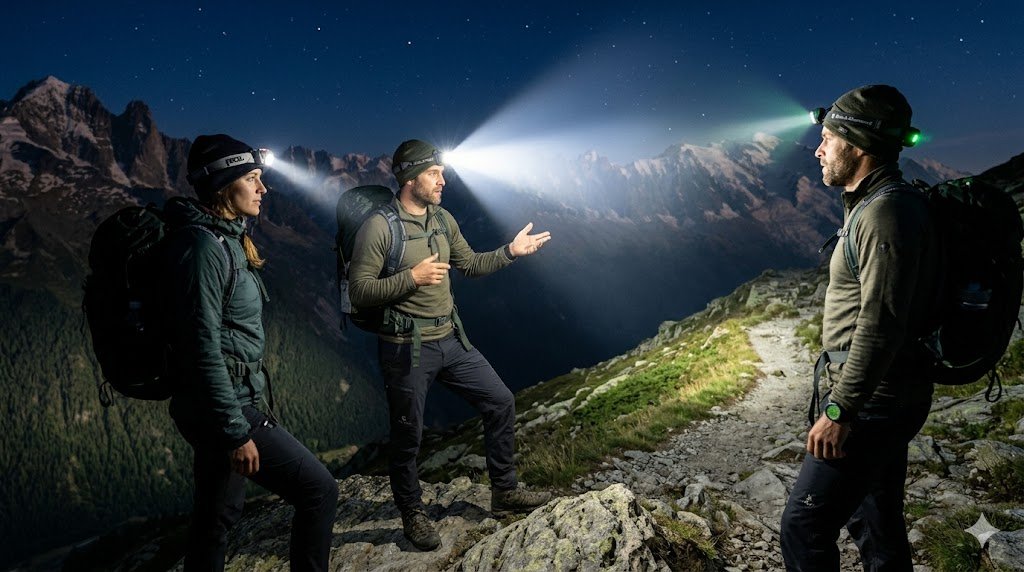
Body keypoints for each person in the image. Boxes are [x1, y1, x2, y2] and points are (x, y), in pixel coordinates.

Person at [348, 139, 553, 551]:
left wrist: (511, 252)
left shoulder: (442, 219)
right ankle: (412, 514)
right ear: (410, 179)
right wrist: (412, 278)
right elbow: (359, 291)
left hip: (452, 340)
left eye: (442, 172)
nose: (443, 180)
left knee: (500, 401)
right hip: (406, 348)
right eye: (433, 174)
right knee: (408, 438)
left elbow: (471, 264)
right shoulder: (379, 227)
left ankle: (504, 491)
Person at [780, 85, 941, 570]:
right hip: (887, 395)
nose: (818, 149)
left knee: (803, 527)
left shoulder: (885, 213)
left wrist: (840, 409)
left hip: (876, 402)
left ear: (858, 146)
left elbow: (881, 322)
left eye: (828, 139)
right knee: (876, 524)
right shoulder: (874, 204)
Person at [163, 134, 339, 571]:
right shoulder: (205, 248)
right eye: (253, 179)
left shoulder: (225, 239)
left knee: (215, 519)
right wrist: (235, 431)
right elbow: (200, 347)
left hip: (218, 406)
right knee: (319, 490)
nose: (264, 189)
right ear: (226, 186)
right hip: (226, 409)